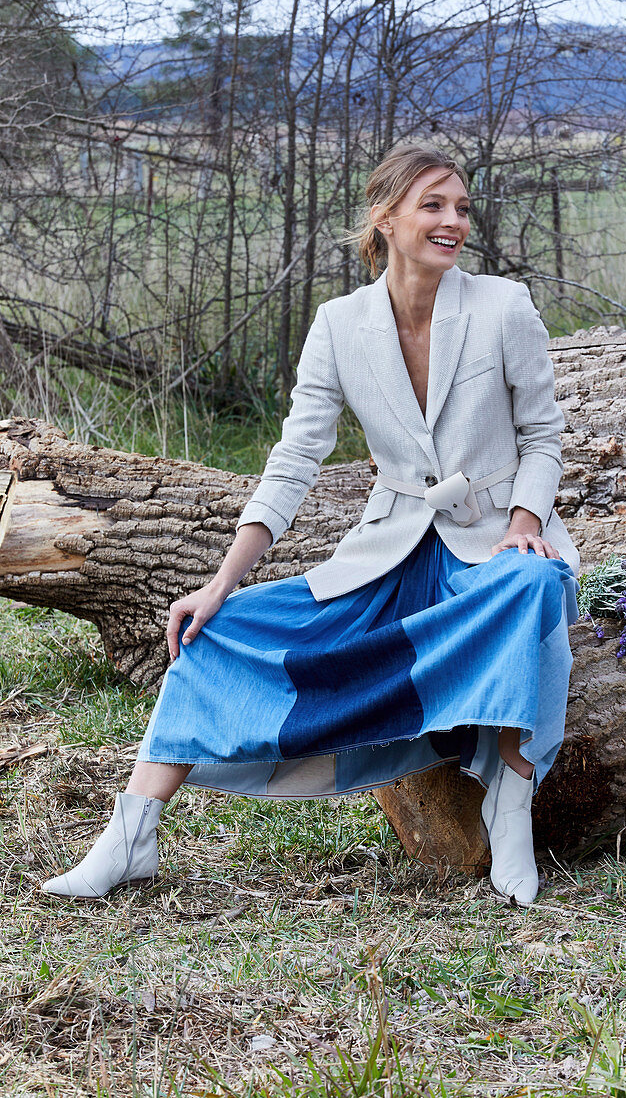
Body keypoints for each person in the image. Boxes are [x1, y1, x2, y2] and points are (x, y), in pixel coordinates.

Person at [42, 143, 580, 907]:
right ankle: (130, 835)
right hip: (391, 546)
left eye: (461, 207)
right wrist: (222, 580)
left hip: (494, 537)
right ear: (385, 217)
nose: (453, 220)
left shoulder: (503, 306)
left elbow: (544, 435)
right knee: (220, 629)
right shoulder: (339, 323)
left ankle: (509, 803)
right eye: (433, 205)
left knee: (530, 585)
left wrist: (524, 521)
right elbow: (295, 456)